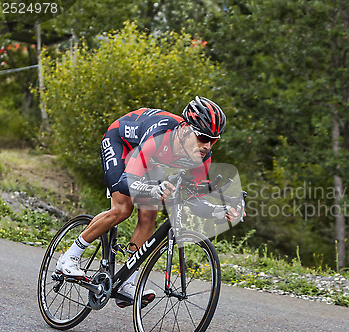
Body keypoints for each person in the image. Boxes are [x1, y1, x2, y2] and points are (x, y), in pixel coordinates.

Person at [56, 96, 240, 307]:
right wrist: (152, 188)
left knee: (149, 213)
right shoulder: (161, 134)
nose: (207, 145)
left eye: (213, 140)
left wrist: (219, 211)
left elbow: (193, 199)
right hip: (121, 142)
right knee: (123, 208)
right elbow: (125, 181)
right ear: (185, 129)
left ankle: (127, 282)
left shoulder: (202, 155)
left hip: (150, 159)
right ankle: (69, 258)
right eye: (202, 137)